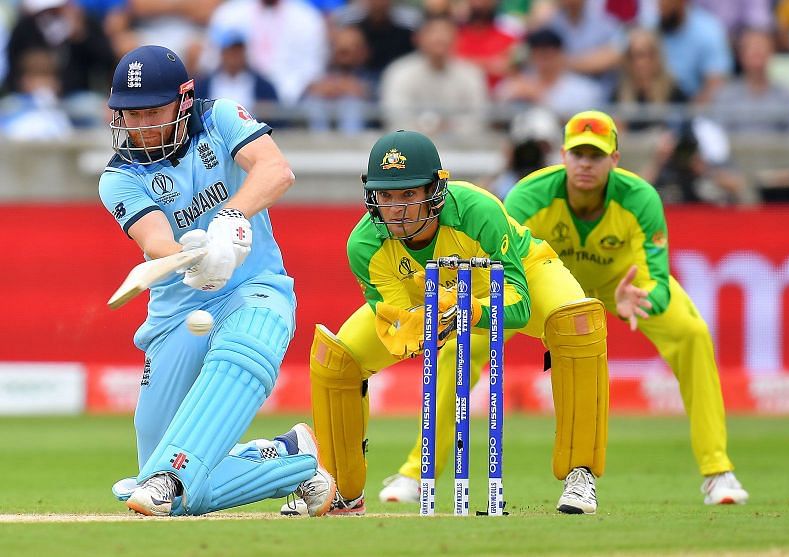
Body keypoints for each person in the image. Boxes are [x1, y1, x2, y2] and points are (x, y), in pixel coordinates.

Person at [379, 111, 749, 507]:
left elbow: (656, 278)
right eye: (577, 154)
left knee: (692, 334)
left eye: (596, 155)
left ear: (615, 160)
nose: (585, 164)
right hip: (545, 285)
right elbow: (504, 265)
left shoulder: (639, 197)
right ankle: (418, 473)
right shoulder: (531, 194)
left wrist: (635, 302)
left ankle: (717, 471)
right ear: (563, 155)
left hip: (620, 286)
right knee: (457, 347)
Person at [302, 129, 609, 515]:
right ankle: (343, 490)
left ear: (435, 189)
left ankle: (580, 474)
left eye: (409, 194)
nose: (397, 210)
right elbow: (397, 321)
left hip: (520, 276)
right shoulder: (365, 244)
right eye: (387, 196)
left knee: (576, 323)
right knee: (338, 360)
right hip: (426, 294)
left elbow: (518, 307)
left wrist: (468, 310)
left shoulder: (477, 210)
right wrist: (419, 328)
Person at [98, 44, 339, 517]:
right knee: (164, 478)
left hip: (257, 290)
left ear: (184, 101)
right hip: (176, 316)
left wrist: (230, 216)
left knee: (170, 475)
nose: (141, 126)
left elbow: (276, 170)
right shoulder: (118, 177)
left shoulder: (220, 118)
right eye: (130, 115)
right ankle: (289, 459)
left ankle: (174, 476)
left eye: (152, 112)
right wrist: (193, 256)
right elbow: (156, 242)